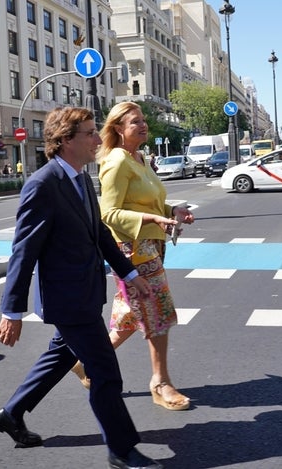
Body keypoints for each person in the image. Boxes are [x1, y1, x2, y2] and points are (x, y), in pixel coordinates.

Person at [0, 106, 163, 469]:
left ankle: (12, 413)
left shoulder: (83, 179)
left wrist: (131, 276)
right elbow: (24, 251)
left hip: (85, 293)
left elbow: (99, 234)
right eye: (88, 132)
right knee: (105, 372)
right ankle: (122, 450)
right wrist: (12, 311)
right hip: (67, 300)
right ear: (66, 140)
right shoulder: (42, 185)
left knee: (61, 356)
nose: (97, 138)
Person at [69, 101, 194, 412]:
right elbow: (108, 214)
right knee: (159, 313)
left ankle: (84, 363)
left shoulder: (139, 159)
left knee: (130, 317)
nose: (143, 125)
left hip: (151, 246)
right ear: (118, 129)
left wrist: (170, 211)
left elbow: (148, 203)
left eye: (143, 120)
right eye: (134, 122)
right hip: (132, 250)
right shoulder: (116, 161)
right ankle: (160, 382)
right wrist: (153, 221)